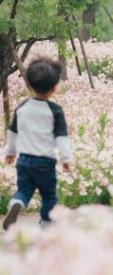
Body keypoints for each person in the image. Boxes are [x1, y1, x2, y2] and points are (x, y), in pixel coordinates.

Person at [3, 58, 72, 231]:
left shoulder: (22, 108)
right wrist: (66, 159)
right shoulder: (55, 111)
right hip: (45, 162)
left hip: (24, 161)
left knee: (24, 191)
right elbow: (61, 138)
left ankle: (17, 201)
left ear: (30, 85)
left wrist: (10, 152)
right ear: (54, 87)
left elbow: (12, 132)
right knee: (48, 195)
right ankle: (47, 222)